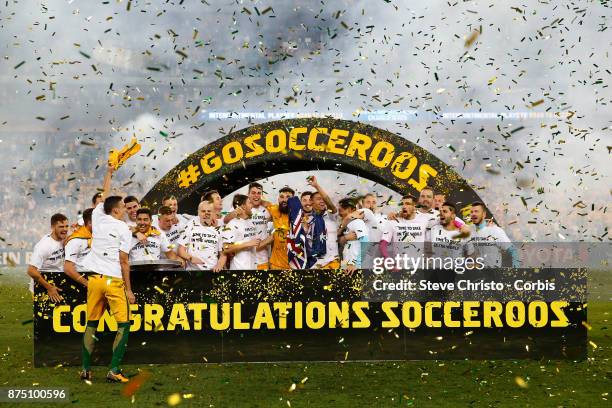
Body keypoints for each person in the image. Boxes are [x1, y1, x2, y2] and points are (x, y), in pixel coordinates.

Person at [78, 165, 134, 383]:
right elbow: (124, 261)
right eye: (122, 206)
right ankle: (114, 369)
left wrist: (110, 173)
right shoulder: (123, 229)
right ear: (116, 210)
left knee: (91, 324)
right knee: (124, 325)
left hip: (94, 280)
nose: (125, 209)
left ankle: (85, 369)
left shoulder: (98, 216)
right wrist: (129, 289)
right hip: (113, 281)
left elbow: (104, 193)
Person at [224, 183, 271, 269]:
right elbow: (225, 221)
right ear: (248, 194)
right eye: (253, 193)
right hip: (241, 262)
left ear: (262, 195)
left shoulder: (267, 209)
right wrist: (235, 213)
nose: (256, 195)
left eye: (259, 193)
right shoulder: (240, 209)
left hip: (261, 259)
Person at [26, 213, 69, 302]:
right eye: (61, 227)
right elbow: (31, 271)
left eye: (66, 226)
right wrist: (49, 287)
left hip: (56, 282)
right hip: (42, 286)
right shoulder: (44, 246)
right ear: (53, 227)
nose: (65, 229)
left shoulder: (63, 238)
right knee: (45, 315)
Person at [178, 201, 226, 271]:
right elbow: (180, 250)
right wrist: (191, 258)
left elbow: (223, 255)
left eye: (209, 211)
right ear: (198, 213)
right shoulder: (190, 226)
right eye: (203, 211)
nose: (206, 213)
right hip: (192, 271)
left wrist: (219, 265)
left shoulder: (219, 230)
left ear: (213, 213)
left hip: (212, 271)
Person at [469, 202, 518, 267]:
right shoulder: (469, 231)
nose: (473, 214)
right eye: (471, 212)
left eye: (476, 211)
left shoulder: (495, 230)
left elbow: (513, 251)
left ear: (484, 214)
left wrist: (516, 269)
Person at [380, 195, 427, 260]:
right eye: (402, 204)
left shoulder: (424, 220)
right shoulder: (393, 221)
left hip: (418, 266)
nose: (404, 206)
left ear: (415, 207)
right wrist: (388, 260)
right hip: (399, 265)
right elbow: (383, 244)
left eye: (408, 204)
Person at [222, 194, 261, 270]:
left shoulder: (251, 223)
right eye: (249, 203)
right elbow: (225, 248)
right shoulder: (232, 224)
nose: (252, 205)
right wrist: (247, 244)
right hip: (238, 268)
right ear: (243, 206)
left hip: (253, 268)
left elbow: (255, 243)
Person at [309, 176, 340, 269]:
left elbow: (330, 203)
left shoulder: (332, 216)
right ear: (311, 201)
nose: (322, 201)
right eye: (319, 199)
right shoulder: (307, 219)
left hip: (332, 261)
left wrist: (317, 186)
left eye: (323, 199)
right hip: (314, 264)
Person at [337, 198, 368, 275]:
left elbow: (366, 242)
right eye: (340, 207)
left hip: (355, 266)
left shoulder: (357, 222)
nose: (340, 209)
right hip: (347, 265)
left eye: (344, 207)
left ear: (353, 209)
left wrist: (356, 264)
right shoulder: (346, 224)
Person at [266, 187, 294, 270]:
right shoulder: (274, 209)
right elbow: (260, 202)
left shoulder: (300, 214)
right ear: (278, 199)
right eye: (282, 197)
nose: (284, 200)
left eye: (288, 197)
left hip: (295, 266)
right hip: (276, 265)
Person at [64, 208, 93, 287]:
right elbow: (68, 268)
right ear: (90, 223)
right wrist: (87, 284)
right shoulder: (75, 241)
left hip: (97, 279)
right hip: (81, 282)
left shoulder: (96, 236)